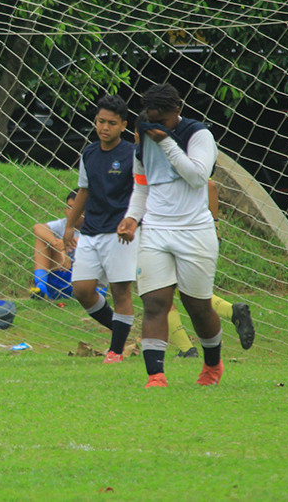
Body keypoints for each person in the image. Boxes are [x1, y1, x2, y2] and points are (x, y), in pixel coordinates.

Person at [117, 83, 223, 388]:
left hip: (195, 231)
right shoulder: (145, 138)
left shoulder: (198, 134)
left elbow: (197, 177)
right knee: (154, 303)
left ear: (176, 111)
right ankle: (156, 375)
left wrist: (167, 142)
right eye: (149, 120)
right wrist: (132, 219)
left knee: (198, 307)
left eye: (160, 120)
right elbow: (142, 186)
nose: (153, 127)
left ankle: (213, 365)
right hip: (156, 230)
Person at [62, 95, 137, 364]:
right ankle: (121, 332)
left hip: (120, 233)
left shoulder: (132, 154)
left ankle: (115, 351)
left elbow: (143, 190)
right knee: (81, 289)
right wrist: (71, 225)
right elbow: (84, 190)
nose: (104, 127)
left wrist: (133, 221)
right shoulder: (89, 153)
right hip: (91, 231)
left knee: (120, 292)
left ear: (123, 126)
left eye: (111, 123)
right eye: (100, 121)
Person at [168, 179, 255, 356]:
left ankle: (186, 349)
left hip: (168, 233)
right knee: (181, 289)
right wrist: (214, 225)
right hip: (195, 234)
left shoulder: (167, 162)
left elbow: (210, 186)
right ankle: (232, 311)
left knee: (158, 293)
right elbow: (212, 187)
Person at [30, 191, 78, 300]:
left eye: (75, 208)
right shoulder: (63, 224)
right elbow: (38, 227)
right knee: (42, 239)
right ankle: (41, 286)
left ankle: (97, 292)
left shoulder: (95, 226)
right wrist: (61, 248)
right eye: (68, 207)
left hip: (83, 278)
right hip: (60, 272)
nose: (70, 212)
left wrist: (68, 243)